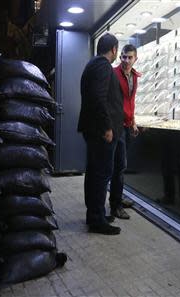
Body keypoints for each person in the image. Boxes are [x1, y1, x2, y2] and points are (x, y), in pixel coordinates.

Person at [77, 33, 124, 235]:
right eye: (117, 51)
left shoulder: (93, 64)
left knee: (96, 173)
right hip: (100, 131)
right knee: (101, 174)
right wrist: (107, 127)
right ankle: (97, 220)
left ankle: (95, 214)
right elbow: (98, 97)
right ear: (113, 49)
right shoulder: (102, 66)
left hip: (94, 129)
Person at [109, 44, 142, 218]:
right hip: (117, 126)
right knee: (119, 166)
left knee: (122, 166)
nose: (126, 60)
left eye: (129, 57)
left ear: (135, 58)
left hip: (128, 126)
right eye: (123, 57)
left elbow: (131, 102)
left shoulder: (135, 77)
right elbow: (110, 102)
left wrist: (134, 122)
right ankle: (115, 206)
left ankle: (118, 198)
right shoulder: (113, 74)